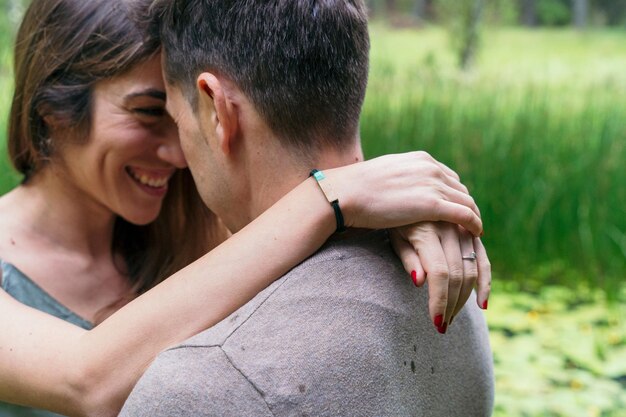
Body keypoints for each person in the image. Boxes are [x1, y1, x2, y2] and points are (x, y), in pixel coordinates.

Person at [0, 1, 490, 417]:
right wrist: (334, 196)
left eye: (180, 113)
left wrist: (403, 216)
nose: (179, 152)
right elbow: (85, 382)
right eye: (150, 113)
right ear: (53, 110)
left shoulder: (196, 223)